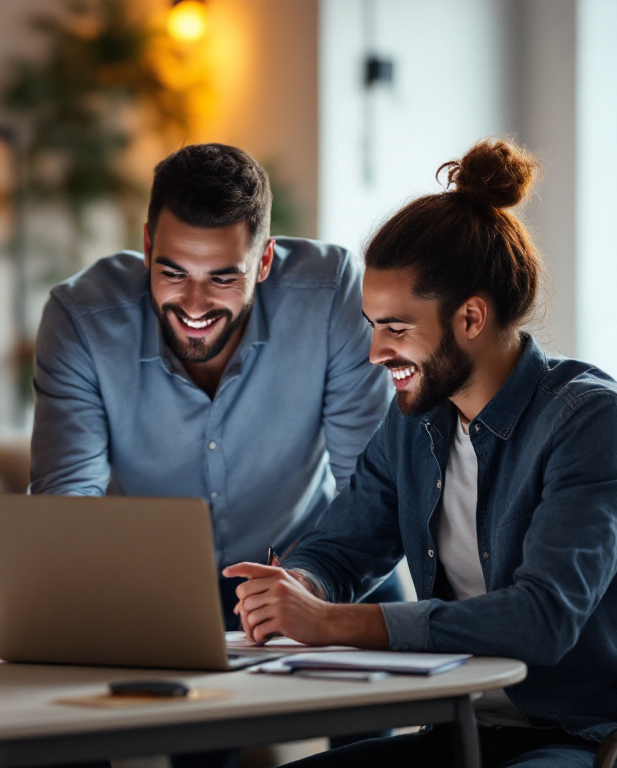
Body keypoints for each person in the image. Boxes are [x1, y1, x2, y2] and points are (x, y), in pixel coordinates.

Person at [223, 140, 617, 768]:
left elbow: (542, 621)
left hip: (603, 740)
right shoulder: (416, 422)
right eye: (372, 325)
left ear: (471, 318)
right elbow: (344, 544)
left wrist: (335, 623)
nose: (375, 353)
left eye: (395, 327)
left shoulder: (590, 422)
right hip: (471, 733)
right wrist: (298, 587)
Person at [30, 142, 397, 627]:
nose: (194, 305)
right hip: (149, 592)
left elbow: (369, 490)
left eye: (223, 278)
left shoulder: (331, 297)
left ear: (265, 261)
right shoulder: (81, 318)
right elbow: (67, 505)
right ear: (147, 246)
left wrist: (308, 583)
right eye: (172, 272)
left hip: (320, 572)